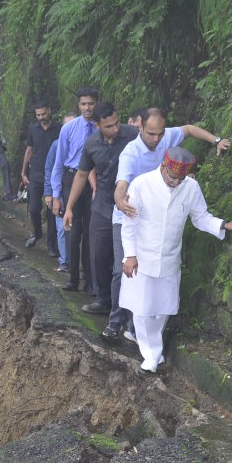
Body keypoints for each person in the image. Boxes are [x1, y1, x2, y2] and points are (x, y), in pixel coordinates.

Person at [120, 147, 232, 373]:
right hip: (142, 257)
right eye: (172, 177)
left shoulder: (190, 187)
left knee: (162, 309)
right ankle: (150, 356)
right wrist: (130, 255)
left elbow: (200, 217)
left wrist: (223, 225)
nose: (175, 182)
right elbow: (129, 222)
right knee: (141, 309)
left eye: (180, 178)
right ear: (163, 167)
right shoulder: (141, 184)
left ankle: (153, 352)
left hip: (169, 257)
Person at [109, 107, 230, 341]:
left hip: (160, 215)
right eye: (151, 134)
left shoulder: (168, 139)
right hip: (131, 212)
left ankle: (140, 329)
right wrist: (120, 202)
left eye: (160, 134)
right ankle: (116, 321)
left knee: (158, 273)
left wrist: (216, 140)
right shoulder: (131, 153)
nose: (156, 139)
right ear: (139, 127)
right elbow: (121, 184)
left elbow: (189, 129)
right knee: (123, 270)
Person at [63, 102, 137, 318]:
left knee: (121, 260)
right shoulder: (92, 143)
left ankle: (125, 306)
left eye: (117, 123)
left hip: (130, 205)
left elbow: (157, 148)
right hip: (103, 205)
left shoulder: (133, 135)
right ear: (97, 126)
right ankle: (103, 300)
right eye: (109, 126)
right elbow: (81, 175)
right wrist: (69, 208)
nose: (116, 129)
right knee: (98, 255)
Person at [50, 87, 99, 293]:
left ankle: (90, 280)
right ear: (78, 106)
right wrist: (55, 195)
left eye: (91, 103)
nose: (87, 107)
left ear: (96, 104)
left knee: (91, 231)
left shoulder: (102, 127)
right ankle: (72, 277)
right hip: (71, 178)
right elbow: (58, 163)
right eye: (83, 104)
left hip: (95, 182)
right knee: (73, 230)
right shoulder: (68, 129)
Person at [21, 101, 61, 250]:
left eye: (43, 114)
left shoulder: (59, 129)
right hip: (36, 173)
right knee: (33, 208)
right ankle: (37, 233)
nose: (41, 117)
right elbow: (29, 150)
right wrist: (24, 171)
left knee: (52, 211)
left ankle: (51, 245)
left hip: (53, 174)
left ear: (49, 111)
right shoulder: (32, 129)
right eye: (38, 115)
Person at [44, 113, 77, 272]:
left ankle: (76, 263)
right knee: (61, 227)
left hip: (76, 189)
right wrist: (49, 193)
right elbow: (50, 169)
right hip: (59, 190)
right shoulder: (56, 145)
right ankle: (64, 261)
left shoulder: (83, 145)